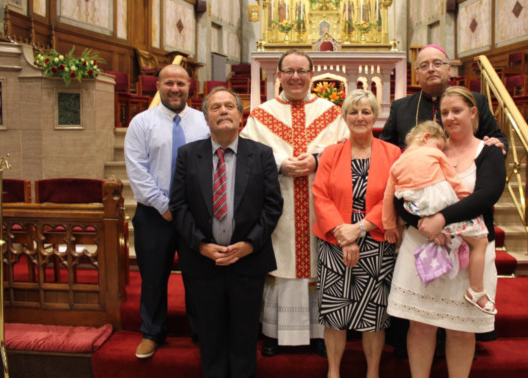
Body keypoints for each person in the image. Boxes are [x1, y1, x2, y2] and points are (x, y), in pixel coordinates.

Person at [386, 86, 506, 378]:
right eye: (446, 112)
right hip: (422, 245)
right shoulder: (429, 149)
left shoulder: (488, 151)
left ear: (473, 113)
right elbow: (401, 195)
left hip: (467, 250)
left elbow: (487, 194)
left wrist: (441, 218)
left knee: (461, 327)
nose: (451, 117)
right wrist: (422, 225)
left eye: (458, 110)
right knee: (420, 324)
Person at [241, 49, 349, 357]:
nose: (296, 77)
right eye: (289, 71)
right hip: (280, 202)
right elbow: (248, 152)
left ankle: (317, 334)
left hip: (319, 203)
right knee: (281, 262)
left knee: (316, 264)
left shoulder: (331, 112)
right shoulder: (261, 114)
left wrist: (316, 160)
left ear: (312, 75)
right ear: (279, 75)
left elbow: (344, 149)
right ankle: (275, 334)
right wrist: (278, 163)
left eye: (302, 70)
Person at [169, 87, 283, 378]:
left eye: (229, 106)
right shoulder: (187, 155)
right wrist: (201, 245)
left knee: (245, 334)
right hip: (203, 262)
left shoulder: (261, 154)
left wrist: (249, 244)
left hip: (247, 261)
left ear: (241, 115)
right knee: (210, 334)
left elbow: (273, 206)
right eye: (216, 107)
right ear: (206, 118)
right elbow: (178, 205)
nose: (223, 111)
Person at [312, 90, 401, 378]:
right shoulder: (331, 153)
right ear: (345, 117)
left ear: (376, 116)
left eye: (366, 111)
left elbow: (392, 197)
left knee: (373, 315)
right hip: (334, 241)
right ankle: (334, 371)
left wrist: (360, 228)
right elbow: (320, 195)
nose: (360, 117)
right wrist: (344, 234)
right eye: (353, 112)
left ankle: (372, 372)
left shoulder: (392, 153)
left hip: (376, 241)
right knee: (334, 312)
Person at [124, 64, 210, 359]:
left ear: (190, 86)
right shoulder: (141, 123)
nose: (175, 89)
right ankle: (152, 332)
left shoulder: (204, 121)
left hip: (197, 214)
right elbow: (137, 171)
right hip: (153, 215)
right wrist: (165, 207)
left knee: (198, 275)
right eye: (169, 83)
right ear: (158, 85)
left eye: (181, 84)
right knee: (153, 276)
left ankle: (202, 331)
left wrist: (191, 209)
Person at [382, 121, 495, 315]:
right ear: (427, 137)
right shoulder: (435, 154)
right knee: (481, 241)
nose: (442, 149)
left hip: (416, 209)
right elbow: (453, 179)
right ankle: (476, 290)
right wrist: (466, 200)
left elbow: (388, 196)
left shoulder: (398, 162)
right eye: (440, 145)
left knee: (446, 234)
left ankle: (443, 246)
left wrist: (389, 224)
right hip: (440, 203)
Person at [379, 44, 508, 153]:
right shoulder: (401, 107)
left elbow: (498, 138)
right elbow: (385, 148)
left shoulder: (475, 101)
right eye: (424, 66)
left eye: (437, 63)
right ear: (416, 75)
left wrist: (498, 145)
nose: (431, 69)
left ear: (449, 70)